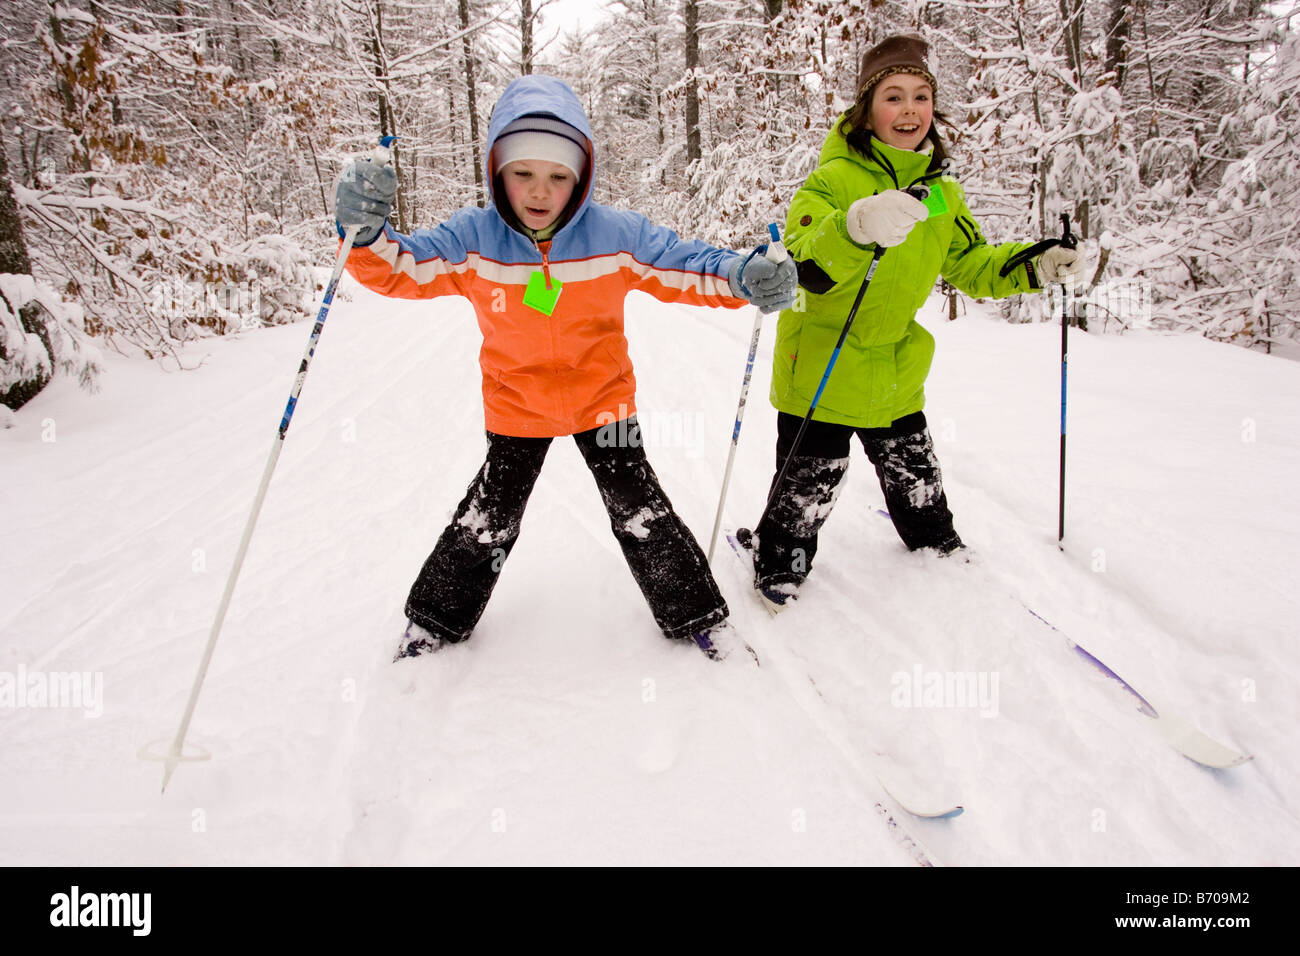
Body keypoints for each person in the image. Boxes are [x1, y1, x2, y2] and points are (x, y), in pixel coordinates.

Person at [334, 74, 797, 660]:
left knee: (640, 508)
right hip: (516, 403)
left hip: (603, 399)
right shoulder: (473, 238)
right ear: (496, 170)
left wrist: (741, 275)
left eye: (558, 176)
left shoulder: (615, 235)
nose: (539, 190)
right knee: (489, 516)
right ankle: (434, 621)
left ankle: (698, 615)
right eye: (523, 172)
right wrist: (366, 233)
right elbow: (402, 268)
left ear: (581, 178)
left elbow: (685, 265)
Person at [742, 34, 1085, 609]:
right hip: (822, 368)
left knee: (915, 471)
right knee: (809, 483)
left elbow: (973, 267)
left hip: (896, 364)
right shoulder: (831, 181)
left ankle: (933, 543)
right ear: (866, 110)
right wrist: (855, 227)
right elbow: (804, 266)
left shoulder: (942, 194)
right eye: (893, 96)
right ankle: (779, 561)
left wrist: (1037, 265)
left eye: (921, 97)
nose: (909, 111)